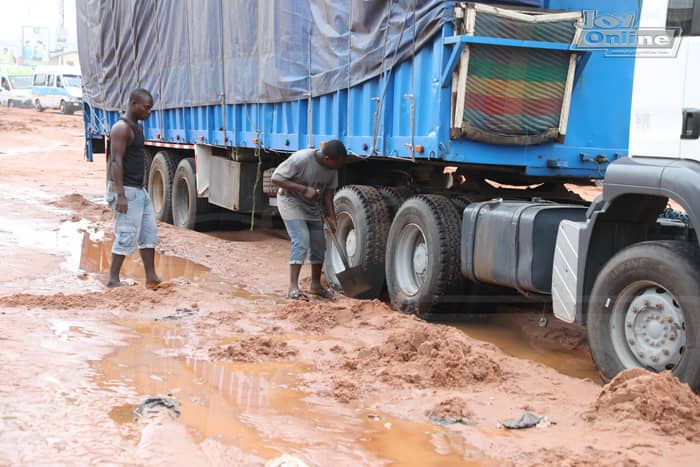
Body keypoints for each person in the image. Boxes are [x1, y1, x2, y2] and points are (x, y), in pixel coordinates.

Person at [271, 140, 347, 300]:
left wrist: (332, 217)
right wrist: (304, 189)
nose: (337, 168)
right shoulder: (301, 159)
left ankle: (316, 285)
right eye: (336, 163)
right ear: (326, 158)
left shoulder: (333, 168)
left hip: (312, 206)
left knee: (319, 242)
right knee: (301, 239)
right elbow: (276, 178)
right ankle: (293, 288)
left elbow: (328, 194)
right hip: (290, 201)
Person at [106, 88, 162, 289]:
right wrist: (120, 195)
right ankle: (113, 279)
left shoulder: (137, 127)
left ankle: (151, 277)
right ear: (133, 104)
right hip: (126, 190)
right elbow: (116, 162)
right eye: (146, 108)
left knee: (149, 234)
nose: (149, 112)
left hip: (139, 190)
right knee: (126, 233)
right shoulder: (121, 128)